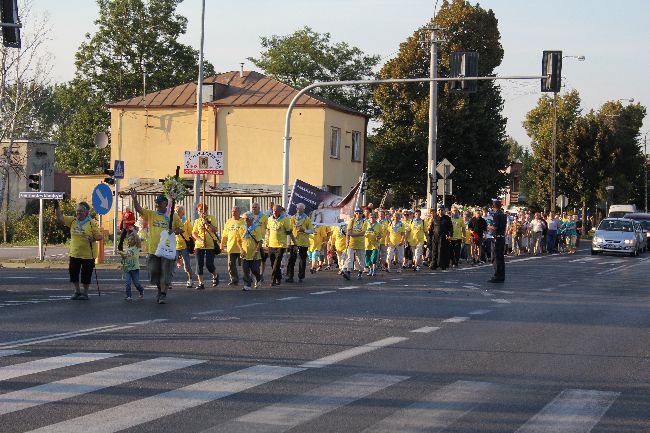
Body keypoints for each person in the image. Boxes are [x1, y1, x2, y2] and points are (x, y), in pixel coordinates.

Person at [128, 190, 182, 304]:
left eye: (159, 202)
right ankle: (159, 288)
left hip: (167, 250)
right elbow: (139, 209)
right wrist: (134, 198)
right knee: (153, 272)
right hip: (154, 250)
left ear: (165, 203)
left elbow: (181, 229)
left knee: (165, 273)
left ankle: (163, 294)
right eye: (156, 202)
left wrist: (174, 231)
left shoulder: (173, 215)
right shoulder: (152, 214)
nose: (156, 204)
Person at [54, 200, 102, 300]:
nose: (78, 213)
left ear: (86, 212)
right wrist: (57, 206)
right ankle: (77, 291)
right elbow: (60, 218)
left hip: (88, 254)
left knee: (86, 274)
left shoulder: (91, 223)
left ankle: (85, 293)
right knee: (73, 273)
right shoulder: (72, 220)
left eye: (81, 211)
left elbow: (100, 236)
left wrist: (93, 238)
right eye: (77, 211)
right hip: (75, 253)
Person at [192, 202, 220, 290]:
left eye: (204, 210)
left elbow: (215, 229)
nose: (202, 212)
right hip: (199, 246)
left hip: (210, 245)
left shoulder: (211, 218)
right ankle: (201, 283)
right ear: (198, 211)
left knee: (209, 264)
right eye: (200, 210)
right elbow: (194, 233)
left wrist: (207, 223)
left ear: (207, 211)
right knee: (199, 264)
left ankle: (215, 275)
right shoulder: (197, 221)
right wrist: (200, 240)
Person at [235, 211, 265, 291]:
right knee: (245, 270)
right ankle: (247, 285)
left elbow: (260, 242)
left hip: (254, 254)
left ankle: (258, 278)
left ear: (251, 219)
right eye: (244, 219)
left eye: (247, 219)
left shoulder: (256, 228)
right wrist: (241, 250)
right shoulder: (241, 228)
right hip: (245, 253)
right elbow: (238, 241)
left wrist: (256, 252)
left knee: (255, 269)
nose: (245, 220)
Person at [267, 204, 295, 286]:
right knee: (273, 263)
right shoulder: (269, 219)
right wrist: (267, 242)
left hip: (281, 245)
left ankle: (273, 280)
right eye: (273, 210)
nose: (274, 211)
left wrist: (294, 243)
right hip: (271, 244)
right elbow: (268, 231)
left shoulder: (285, 220)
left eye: (276, 210)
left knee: (277, 262)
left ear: (280, 211)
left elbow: (289, 232)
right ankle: (278, 278)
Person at [287, 203, 314, 283]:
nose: (299, 210)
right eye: (298, 209)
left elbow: (311, 230)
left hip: (303, 242)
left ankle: (301, 276)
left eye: (301, 209)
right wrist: (289, 241)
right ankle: (290, 276)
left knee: (302, 260)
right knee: (292, 259)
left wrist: (304, 230)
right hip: (294, 242)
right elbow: (289, 230)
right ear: (296, 209)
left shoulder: (307, 219)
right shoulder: (293, 218)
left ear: (303, 210)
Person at [220, 206, 246, 286]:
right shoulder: (228, 222)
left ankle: (247, 278)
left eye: (235, 211)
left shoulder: (244, 221)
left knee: (245, 265)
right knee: (231, 265)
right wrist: (221, 245)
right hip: (231, 247)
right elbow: (224, 235)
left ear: (239, 212)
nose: (233, 213)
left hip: (242, 247)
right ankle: (234, 280)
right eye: (232, 211)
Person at [119, 232, 144, 301]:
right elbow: (125, 258)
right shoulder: (127, 249)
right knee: (127, 283)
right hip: (127, 269)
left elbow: (138, 240)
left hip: (135, 269)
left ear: (135, 241)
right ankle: (129, 296)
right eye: (129, 239)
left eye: (132, 239)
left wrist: (133, 233)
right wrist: (122, 256)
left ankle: (141, 290)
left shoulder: (136, 247)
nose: (130, 241)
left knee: (136, 283)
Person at [344, 207, 368, 280]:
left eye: (360, 213)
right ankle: (348, 273)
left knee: (361, 260)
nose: (358, 214)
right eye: (357, 213)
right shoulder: (352, 220)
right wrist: (347, 241)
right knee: (349, 258)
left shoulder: (365, 222)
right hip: (351, 243)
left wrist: (353, 234)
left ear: (362, 214)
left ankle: (360, 273)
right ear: (355, 213)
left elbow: (363, 233)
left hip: (360, 244)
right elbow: (348, 232)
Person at [174, 205, 194, 288]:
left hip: (184, 246)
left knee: (187, 264)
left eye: (179, 211)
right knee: (172, 264)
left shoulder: (186, 221)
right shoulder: (173, 221)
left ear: (183, 212)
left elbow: (191, 232)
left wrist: (194, 245)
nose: (177, 212)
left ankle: (190, 279)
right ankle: (169, 282)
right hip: (174, 246)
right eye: (176, 211)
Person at [489, 199, 507, 283]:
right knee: (501, 257)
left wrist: (488, 227)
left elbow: (495, 227)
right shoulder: (504, 215)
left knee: (495, 257)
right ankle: (502, 275)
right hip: (502, 237)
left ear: (494, 206)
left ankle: (497, 275)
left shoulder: (496, 215)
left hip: (496, 238)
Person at [251, 202, 269, 281]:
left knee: (263, 258)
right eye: (253, 207)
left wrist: (267, 239)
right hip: (252, 240)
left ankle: (261, 274)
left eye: (255, 207)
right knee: (251, 258)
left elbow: (268, 228)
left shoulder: (264, 217)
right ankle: (251, 275)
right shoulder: (250, 216)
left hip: (262, 240)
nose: (254, 209)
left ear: (259, 208)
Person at [364, 211, 383, 276]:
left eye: (374, 217)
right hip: (367, 244)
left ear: (376, 218)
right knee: (368, 258)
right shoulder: (366, 224)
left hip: (375, 244)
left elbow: (381, 234)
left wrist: (379, 237)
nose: (372, 219)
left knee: (374, 257)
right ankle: (370, 270)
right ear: (369, 218)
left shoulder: (379, 225)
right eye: (371, 217)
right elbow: (363, 232)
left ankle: (374, 270)